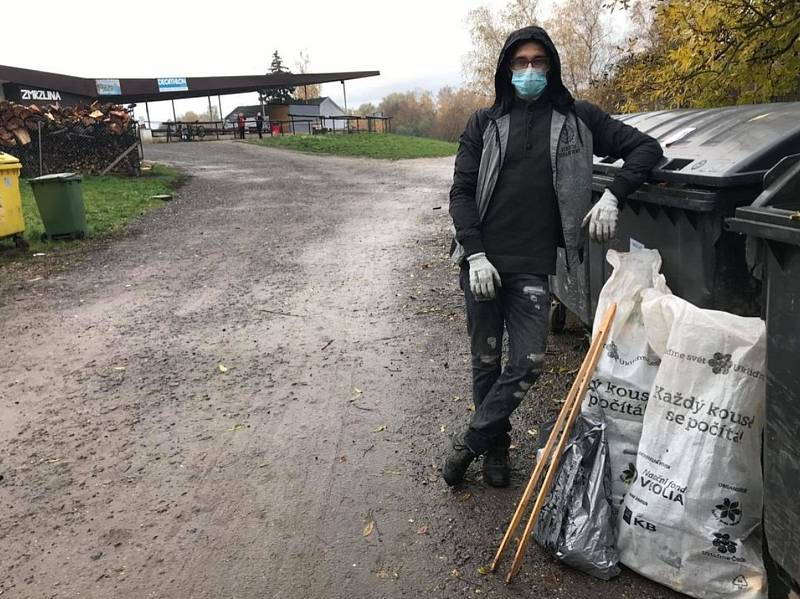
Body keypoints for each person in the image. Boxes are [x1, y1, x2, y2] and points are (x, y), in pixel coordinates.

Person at [442, 26, 663, 488]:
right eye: (519, 62)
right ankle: (495, 453)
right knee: (485, 362)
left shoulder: (579, 118)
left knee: (529, 361)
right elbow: (461, 192)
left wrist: (614, 197)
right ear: (506, 68)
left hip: (533, 265)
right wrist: (476, 254)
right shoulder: (483, 123)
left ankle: (472, 440)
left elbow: (647, 149)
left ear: (552, 65)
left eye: (537, 62)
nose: (528, 70)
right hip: (483, 262)